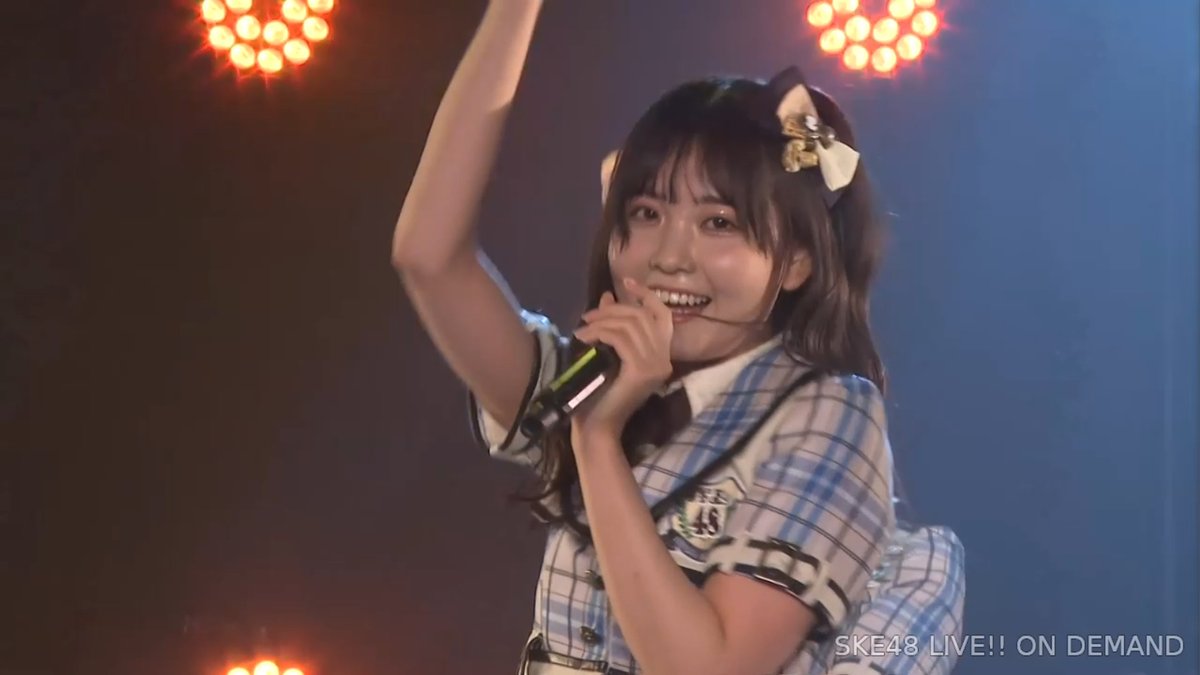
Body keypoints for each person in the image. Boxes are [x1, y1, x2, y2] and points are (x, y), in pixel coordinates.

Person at [392, 2, 958, 673]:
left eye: (718, 223)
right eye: (646, 212)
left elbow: (707, 666)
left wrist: (597, 440)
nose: (669, 257)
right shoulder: (588, 379)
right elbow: (429, 257)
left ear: (797, 263)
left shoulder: (829, 410)